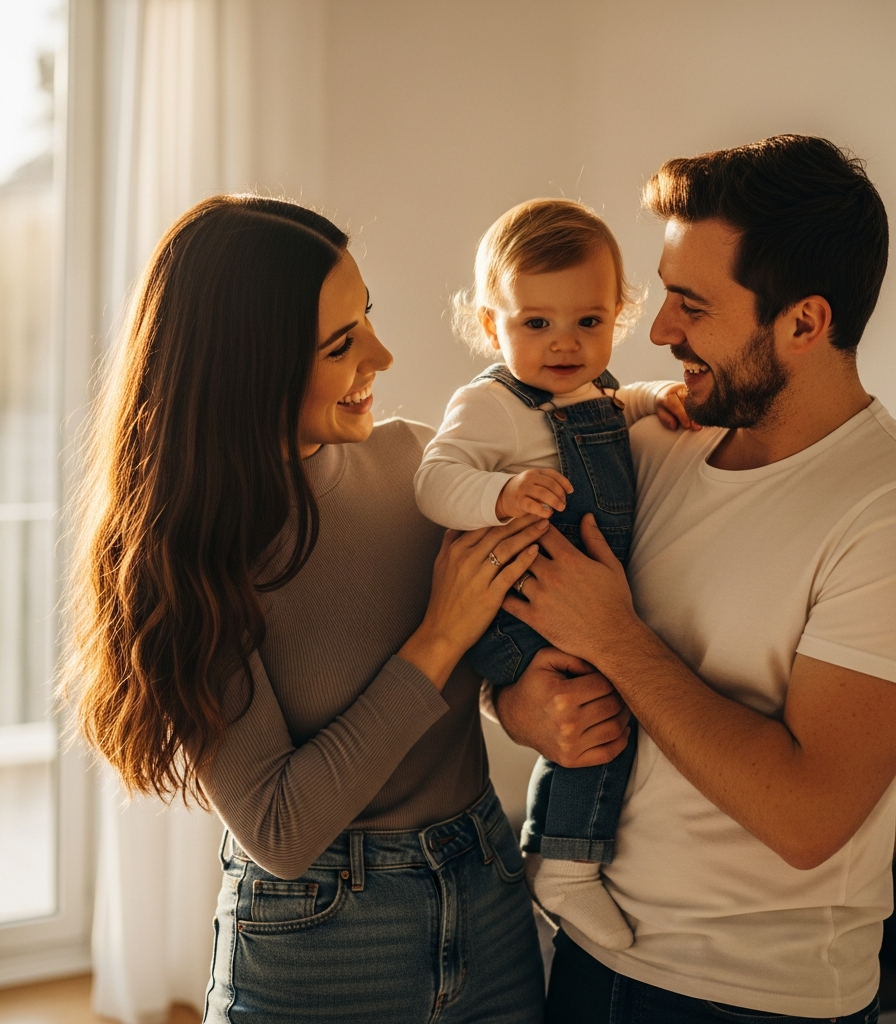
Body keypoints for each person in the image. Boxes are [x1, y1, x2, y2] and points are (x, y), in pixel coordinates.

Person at [64, 194, 589, 1023]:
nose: (382, 353)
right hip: (318, 940)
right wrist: (439, 635)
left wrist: (519, 703)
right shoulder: (187, 560)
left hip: (487, 897)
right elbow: (278, 828)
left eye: (367, 317)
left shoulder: (426, 466)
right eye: (342, 343)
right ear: (252, 367)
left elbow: (476, 670)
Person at [493, 137, 896, 1023]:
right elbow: (517, 610)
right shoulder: (646, 444)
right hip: (581, 957)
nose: (657, 332)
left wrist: (616, 639)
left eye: (691, 304)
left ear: (804, 322)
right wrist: (518, 705)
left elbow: (806, 820)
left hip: (754, 1001)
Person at [415, 198, 689, 952]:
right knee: (593, 716)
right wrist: (496, 496)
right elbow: (434, 480)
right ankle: (563, 863)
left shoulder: (594, 391)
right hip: (519, 608)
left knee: (604, 716)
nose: (565, 344)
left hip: (568, 604)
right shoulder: (490, 405)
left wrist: (654, 399)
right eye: (536, 323)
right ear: (488, 325)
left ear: (617, 318)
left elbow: (615, 403)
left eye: (589, 323)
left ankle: (567, 855)